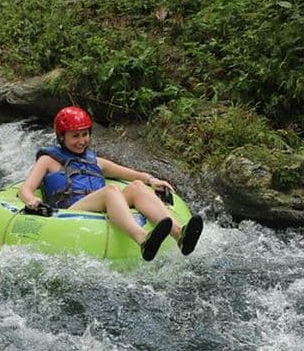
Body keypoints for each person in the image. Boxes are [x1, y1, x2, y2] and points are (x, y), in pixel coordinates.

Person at [18, 106, 204, 261]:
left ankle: (179, 234)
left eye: (85, 134)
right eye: (75, 136)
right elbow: (26, 188)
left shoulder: (95, 161)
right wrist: (31, 200)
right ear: (61, 137)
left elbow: (131, 174)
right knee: (111, 190)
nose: (82, 141)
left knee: (137, 187)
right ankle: (142, 240)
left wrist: (151, 180)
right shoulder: (48, 160)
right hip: (71, 209)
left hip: (99, 206)